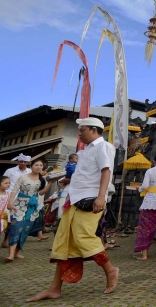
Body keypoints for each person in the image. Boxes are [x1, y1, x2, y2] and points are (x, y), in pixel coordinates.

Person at [28, 117, 119, 301]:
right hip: (75, 199)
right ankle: (54, 288)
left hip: (91, 199)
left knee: (83, 237)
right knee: (63, 241)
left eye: (82, 130)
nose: (79, 133)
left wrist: (101, 197)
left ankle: (111, 270)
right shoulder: (84, 151)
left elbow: (106, 171)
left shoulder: (104, 147)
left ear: (94, 130)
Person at [5, 159, 55, 261]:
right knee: (16, 228)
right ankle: (10, 254)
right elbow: (14, 190)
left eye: (41, 165)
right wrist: (10, 202)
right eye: (36, 165)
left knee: (25, 230)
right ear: (31, 166)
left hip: (32, 207)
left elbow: (41, 193)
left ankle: (16, 252)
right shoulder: (23, 177)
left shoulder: (42, 180)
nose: (38, 167)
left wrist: (50, 183)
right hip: (19, 205)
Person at [2, 153, 31, 248]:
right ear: (18, 161)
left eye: (25, 161)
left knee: (15, 220)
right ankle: (5, 239)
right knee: (5, 219)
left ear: (27, 162)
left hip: (23, 199)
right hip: (9, 197)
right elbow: (3, 182)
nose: (23, 163)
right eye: (21, 161)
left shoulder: (30, 172)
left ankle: (8, 241)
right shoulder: (10, 171)